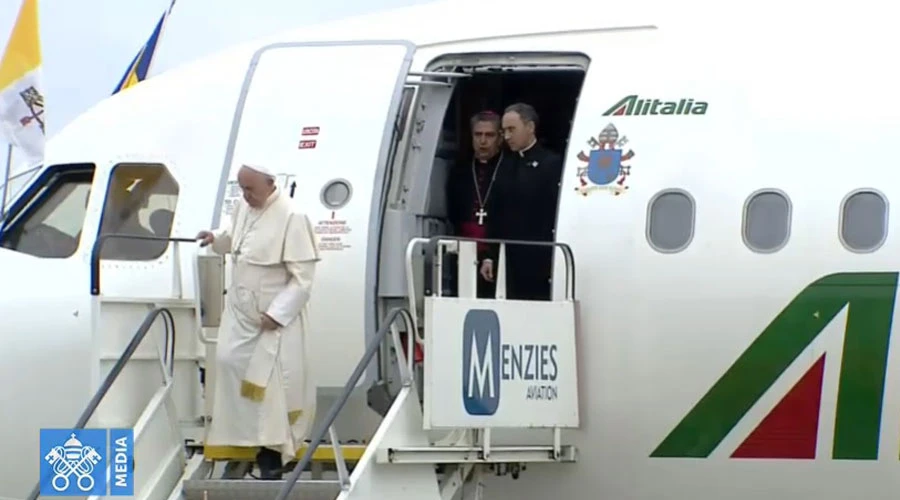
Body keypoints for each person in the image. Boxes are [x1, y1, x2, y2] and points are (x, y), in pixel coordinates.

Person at [196, 162, 320, 480]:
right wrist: (214, 238)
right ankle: (243, 438)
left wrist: (277, 314)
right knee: (226, 362)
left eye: (250, 188)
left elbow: (303, 280)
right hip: (240, 314)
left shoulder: (293, 216)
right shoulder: (243, 206)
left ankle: (272, 450)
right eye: (241, 187)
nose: (245, 195)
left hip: (273, 321)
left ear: (269, 183)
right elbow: (235, 239)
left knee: (269, 385)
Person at [481, 103, 563, 301]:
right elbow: (496, 212)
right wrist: (490, 255)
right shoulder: (504, 165)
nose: (507, 136)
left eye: (512, 130)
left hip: (540, 259)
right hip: (508, 259)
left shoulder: (551, 164)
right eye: (504, 131)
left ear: (530, 127)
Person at [445, 110, 508, 298]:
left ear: (500, 138)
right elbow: (454, 211)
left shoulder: (508, 168)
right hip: (464, 250)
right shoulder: (460, 171)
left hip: (498, 250)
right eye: (478, 134)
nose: (483, 141)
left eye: (489, 135)